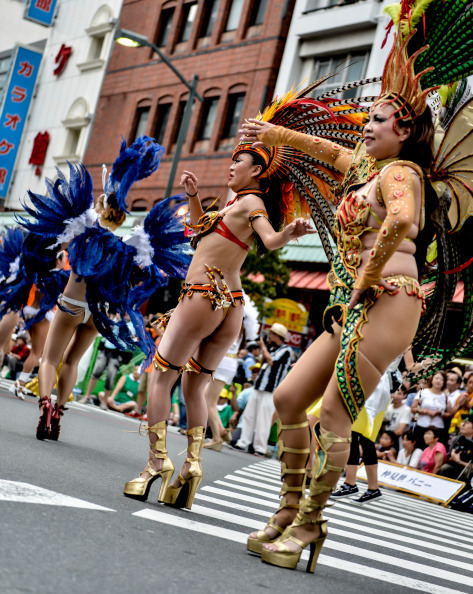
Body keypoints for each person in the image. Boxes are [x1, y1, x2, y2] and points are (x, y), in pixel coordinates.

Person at [240, 0, 473, 571]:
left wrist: (366, 279)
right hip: (353, 300)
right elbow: (325, 149)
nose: (366, 127)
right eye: (366, 120)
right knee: (291, 400)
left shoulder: (403, 174)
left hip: (390, 300)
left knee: (332, 419)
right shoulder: (366, 168)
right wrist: (275, 133)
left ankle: (311, 524)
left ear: (406, 131)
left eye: (378, 121)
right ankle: (287, 512)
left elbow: (404, 223)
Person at [123, 136, 314, 508]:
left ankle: (155, 463)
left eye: (237, 161)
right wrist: (194, 197)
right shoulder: (235, 203)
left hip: (202, 294)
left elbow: (271, 241)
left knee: (161, 376)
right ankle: (191, 466)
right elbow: (199, 233)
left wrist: (289, 232)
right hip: (231, 304)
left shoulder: (251, 202)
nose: (230, 166)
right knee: (194, 388)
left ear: (256, 171)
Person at [20, 137, 188, 441]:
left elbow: (51, 239)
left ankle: (45, 405)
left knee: (49, 359)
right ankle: (58, 411)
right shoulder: (128, 248)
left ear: (99, 208)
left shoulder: (82, 231)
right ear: (122, 217)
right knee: (72, 362)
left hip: (70, 303)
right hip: (96, 314)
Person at [232, 324, 293, 456]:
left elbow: (272, 362)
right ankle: (243, 442)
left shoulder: (286, 350)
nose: (269, 336)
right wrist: (266, 348)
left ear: (277, 336)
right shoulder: (271, 348)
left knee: (264, 419)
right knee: (249, 415)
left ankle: (259, 447)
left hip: (271, 390)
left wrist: (264, 347)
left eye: (271, 334)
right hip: (259, 387)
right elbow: (264, 360)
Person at [411, 372, 447, 446]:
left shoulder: (445, 396)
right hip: (422, 426)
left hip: (438, 428)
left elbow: (449, 413)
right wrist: (426, 411)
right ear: (432, 379)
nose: (439, 381)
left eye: (442, 379)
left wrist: (440, 413)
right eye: (437, 378)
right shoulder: (424, 392)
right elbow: (413, 408)